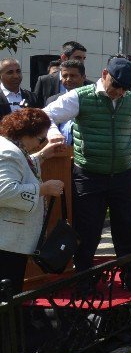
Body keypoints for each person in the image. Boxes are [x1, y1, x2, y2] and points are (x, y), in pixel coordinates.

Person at [44, 57, 131, 277]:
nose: (119, 92)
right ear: (104, 74)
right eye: (116, 85)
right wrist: (54, 134)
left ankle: (129, 277)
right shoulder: (80, 97)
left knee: (127, 230)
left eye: (125, 88)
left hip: (123, 174)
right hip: (89, 176)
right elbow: (46, 115)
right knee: (87, 232)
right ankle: (84, 281)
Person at [0, 108, 64, 296]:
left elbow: (23, 166)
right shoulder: (8, 152)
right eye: (40, 139)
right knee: (7, 295)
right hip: (6, 243)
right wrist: (43, 189)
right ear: (25, 133)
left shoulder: (14, 148)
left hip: (9, 241)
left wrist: (43, 155)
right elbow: (4, 191)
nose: (39, 144)